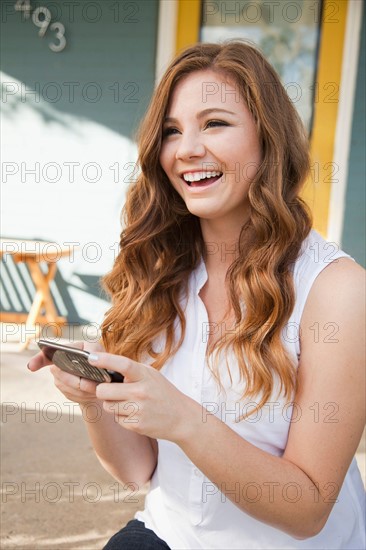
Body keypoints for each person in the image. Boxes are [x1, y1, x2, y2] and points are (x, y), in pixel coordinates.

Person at [28, 41, 365, 550]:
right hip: (169, 533)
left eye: (215, 123)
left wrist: (184, 418)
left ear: (266, 139)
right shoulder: (156, 273)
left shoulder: (337, 291)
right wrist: (94, 397)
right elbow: (137, 470)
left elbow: (309, 509)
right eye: (171, 131)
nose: (185, 149)